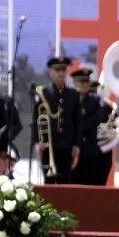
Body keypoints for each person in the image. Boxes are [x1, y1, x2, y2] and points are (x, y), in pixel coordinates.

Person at [34, 55, 81, 184]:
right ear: (50, 72)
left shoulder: (74, 95)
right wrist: (37, 142)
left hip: (67, 146)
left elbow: (77, 122)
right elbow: (35, 121)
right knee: (48, 183)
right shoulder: (43, 92)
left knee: (65, 182)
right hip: (48, 145)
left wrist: (76, 144)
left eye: (63, 70)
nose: (61, 73)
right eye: (57, 70)